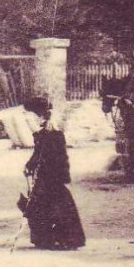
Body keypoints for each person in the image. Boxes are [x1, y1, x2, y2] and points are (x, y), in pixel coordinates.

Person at [21, 96, 86, 250]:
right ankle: (46, 238)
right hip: (47, 175)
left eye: (28, 115)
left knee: (56, 205)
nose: (26, 119)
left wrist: (45, 170)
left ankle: (66, 239)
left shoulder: (53, 133)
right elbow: (37, 154)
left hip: (53, 175)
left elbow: (57, 157)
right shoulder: (43, 132)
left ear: (37, 115)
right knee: (43, 204)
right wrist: (30, 164)